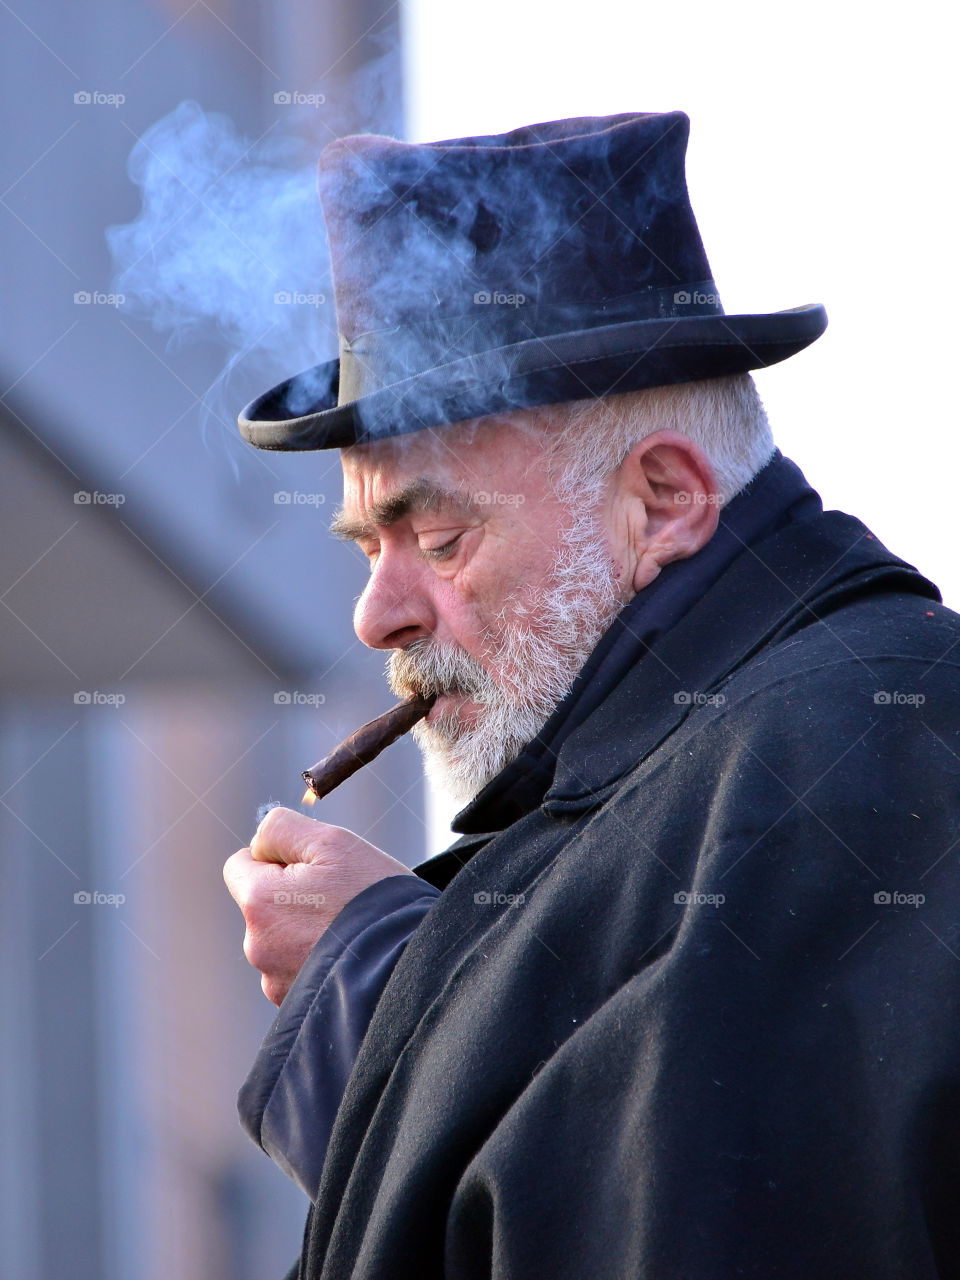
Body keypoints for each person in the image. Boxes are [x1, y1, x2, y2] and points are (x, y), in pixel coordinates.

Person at [222, 111, 960, 1279]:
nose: (379, 616)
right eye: (369, 544)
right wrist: (412, 998)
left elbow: (716, 1224)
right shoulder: (710, 754)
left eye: (442, 535)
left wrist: (400, 993)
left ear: (664, 497)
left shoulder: (860, 740)